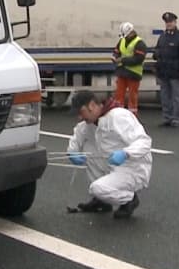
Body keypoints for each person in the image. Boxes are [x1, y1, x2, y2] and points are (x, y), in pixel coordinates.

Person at [65, 90, 153, 219]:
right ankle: (102, 201)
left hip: (132, 167)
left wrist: (125, 153)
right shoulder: (88, 125)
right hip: (112, 165)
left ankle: (129, 199)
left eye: (81, 112)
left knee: (96, 188)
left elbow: (144, 141)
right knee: (89, 151)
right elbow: (76, 138)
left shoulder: (119, 116)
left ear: (91, 106)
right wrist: (72, 152)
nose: (79, 117)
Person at [153, 11, 179, 127]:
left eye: (170, 22)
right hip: (164, 71)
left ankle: (176, 119)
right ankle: (167, 118)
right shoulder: (163, 36)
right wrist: (156, 55)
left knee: (176, 97)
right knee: (165, 97)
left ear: (175, 22)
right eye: (167, 22)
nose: (168, 24)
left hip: (176, 71)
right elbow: (157, 50)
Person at [111, 22, 148, 115]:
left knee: (132, 97)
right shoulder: (122, 40)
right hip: (122, 72)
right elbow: (117, 50)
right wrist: (115, 56)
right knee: (119, 96)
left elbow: (138, 59)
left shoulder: (139, 43)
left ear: (132, 32)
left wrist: (122, 60)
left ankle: (133, 117)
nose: (125, 37)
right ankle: (119, 115)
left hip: (133, 73)